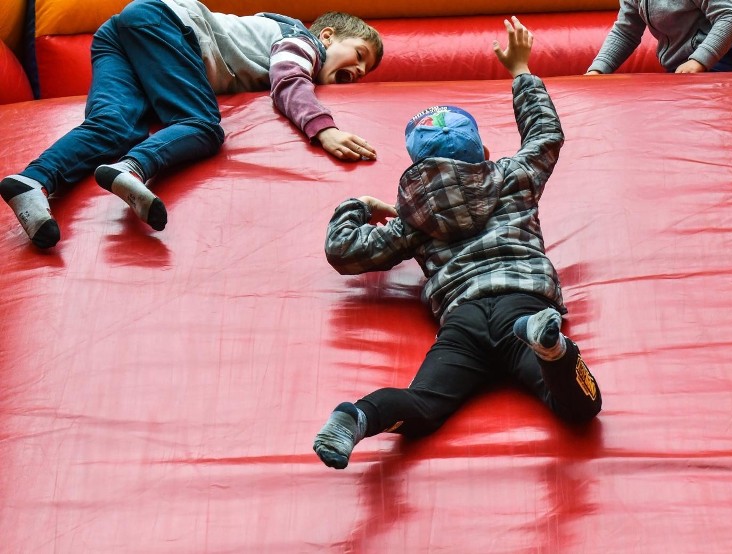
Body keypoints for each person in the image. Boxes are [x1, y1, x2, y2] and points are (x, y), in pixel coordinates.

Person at [313, 16, 602, 470]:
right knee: (579, 405)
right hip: (520, 303)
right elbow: (546, 134)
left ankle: (358, 415)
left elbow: (345, 252)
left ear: (418, 166)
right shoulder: (512, 176)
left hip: (463, 320)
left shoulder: (412, 219)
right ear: (482, 152)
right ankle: (550, 348)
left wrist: (361, 205)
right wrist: (520, 70)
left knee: (424, 404)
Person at [0, 0, 383, 249]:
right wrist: (324, 129)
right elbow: (288, 80)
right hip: (166, 26)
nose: (360, 69)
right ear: (327, 36)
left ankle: (34, 182)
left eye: (365, 71)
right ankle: (132, 168)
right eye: (360, 55)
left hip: (119, 33)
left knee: (112, 126)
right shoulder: (301, 42)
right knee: (201, 125)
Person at [586, 0, 732, 75]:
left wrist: (698, 61)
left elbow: (729, 18)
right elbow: (625, 32)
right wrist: (598, 69)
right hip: (683, 66)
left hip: (731, 53)